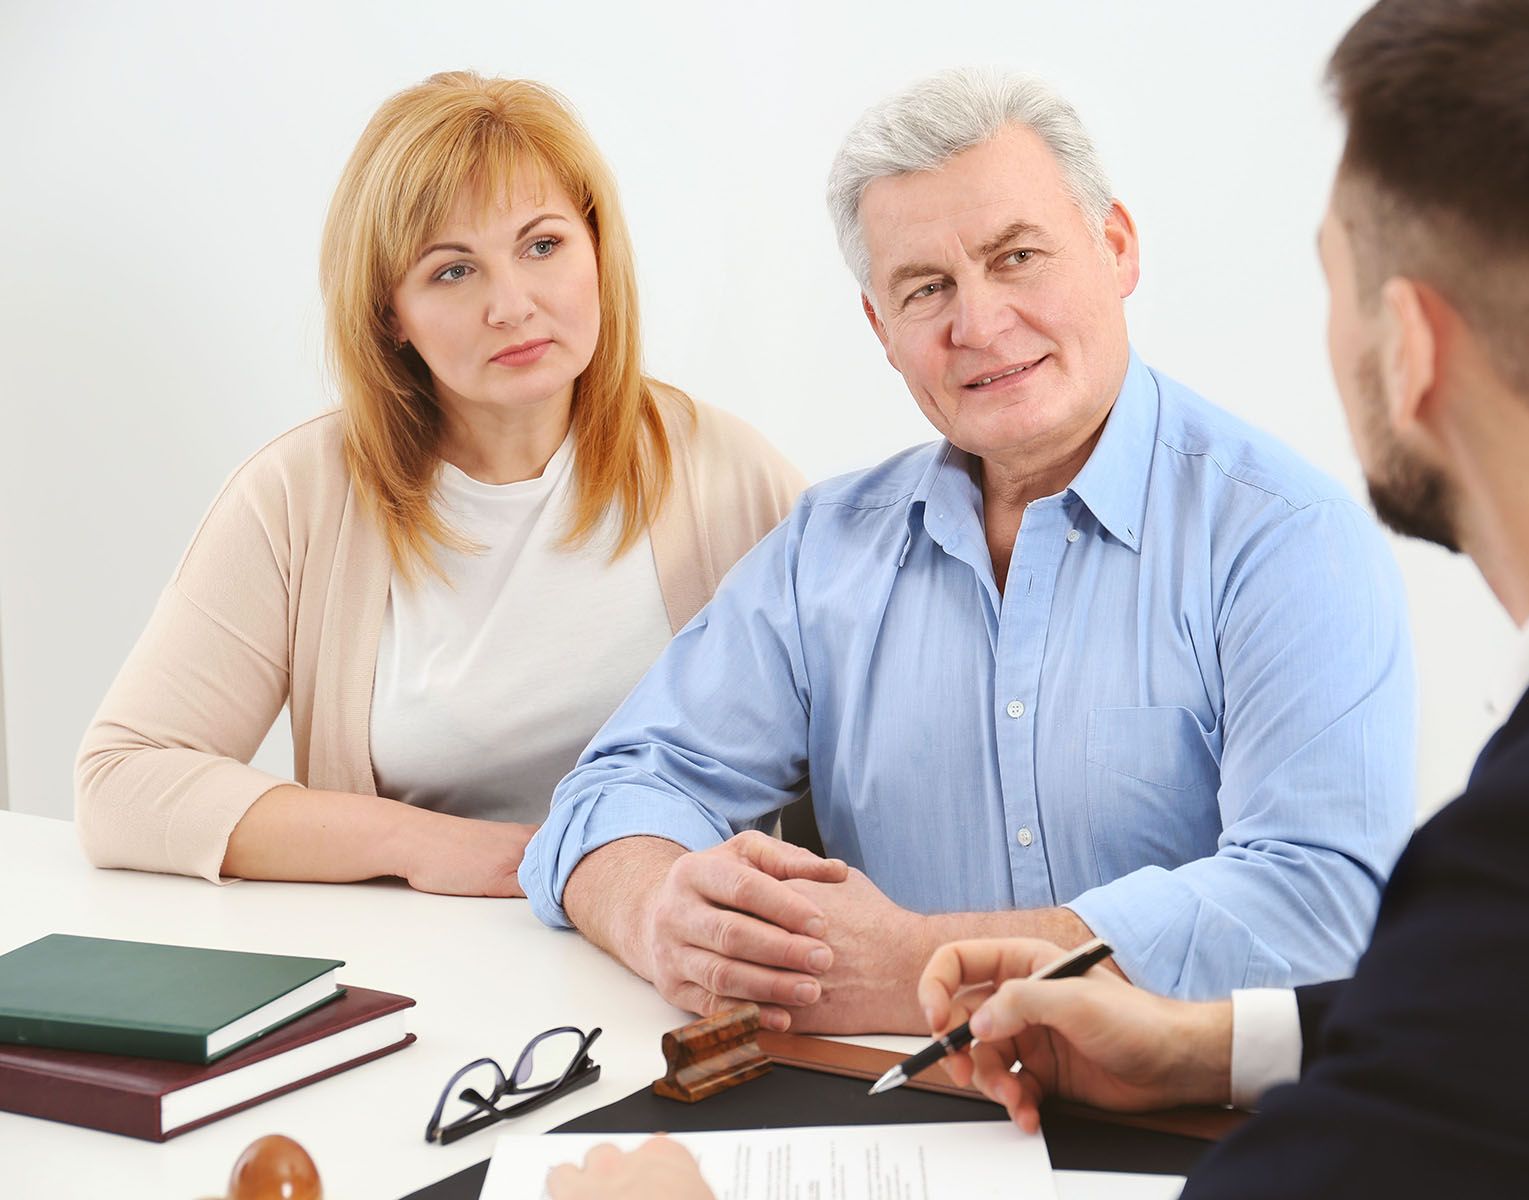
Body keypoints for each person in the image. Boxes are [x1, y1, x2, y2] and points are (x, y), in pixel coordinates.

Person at [565, 0, 1529, 1195]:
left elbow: (1378, 949)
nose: (979, 320)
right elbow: (1525, 1027)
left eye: (1331, 281)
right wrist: (1210, 1043)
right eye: (928, 288)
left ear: (1410, 344)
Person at [522, 68, 1416, 1034]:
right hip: (885, 1125)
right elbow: (615, 791)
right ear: (882, 329)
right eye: (926, 288)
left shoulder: (1286, 537)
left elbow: (1327, 906)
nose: (979, 324)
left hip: (1195, 1136)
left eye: (1018, 256)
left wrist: (923, 966)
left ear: (1115, 248)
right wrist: (662, 912)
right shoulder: (826, 549)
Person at [74, 72, 803, 895]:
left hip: (671, 964)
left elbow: (850, 767)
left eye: (543, 245)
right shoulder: (298, 498)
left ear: (598, 250)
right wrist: (421, 845)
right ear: (390, 314)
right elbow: (121, 782)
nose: (513, 305)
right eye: (453, 272)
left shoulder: (728, 475)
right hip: (421, 968)